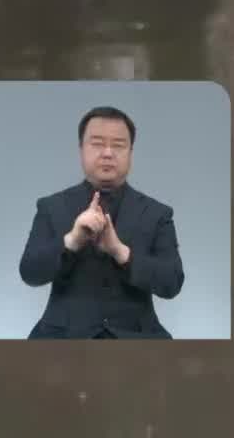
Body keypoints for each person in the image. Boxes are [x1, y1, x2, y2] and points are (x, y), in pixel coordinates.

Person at [17, 105, 185, 338]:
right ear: (81, 149)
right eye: (97, 143)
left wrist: (121, 252)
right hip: (63, 337)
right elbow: (29, 273)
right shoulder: (51, 207)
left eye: (118, 145)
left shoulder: (157, 213)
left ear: (131, 152)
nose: (108, 153)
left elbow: (172, 283)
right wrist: (71, 240)